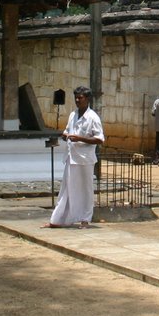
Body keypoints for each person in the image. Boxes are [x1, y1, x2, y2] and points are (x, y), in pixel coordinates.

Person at [43, 86, 105, 228]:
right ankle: (58, 219)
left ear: (87, 99)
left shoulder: (92, 118)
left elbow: (99, 139)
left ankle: (85, 219)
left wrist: (80, 139)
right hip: (71, 157)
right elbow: (67, 131)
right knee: (67, 188)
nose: (77, 100)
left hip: (84, 159)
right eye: (76, 97)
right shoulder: (73, 115)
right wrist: (66, 136)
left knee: (85, 190)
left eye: (80, 98)